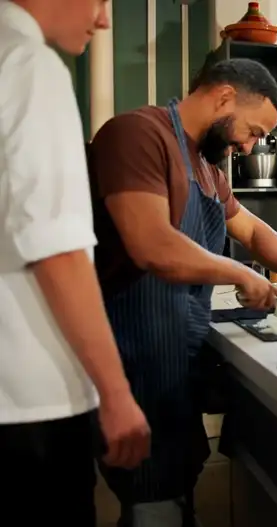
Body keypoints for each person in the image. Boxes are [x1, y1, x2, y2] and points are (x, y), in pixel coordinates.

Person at [86, 58, 277, 525]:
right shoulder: (138, 134)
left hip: (176, 355)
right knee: (151, 502)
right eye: (254, 131)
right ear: (223, 97)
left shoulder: (206, 166)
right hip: (134, 360)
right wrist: (241, 275)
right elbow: (152, 244)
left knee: (175, 490)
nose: (250, 145)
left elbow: (253, 230)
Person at [0, 0, 151, 524]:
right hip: (30, 406)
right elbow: (57, 249)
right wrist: (115, 393)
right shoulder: (29, 65)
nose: (106, 18)